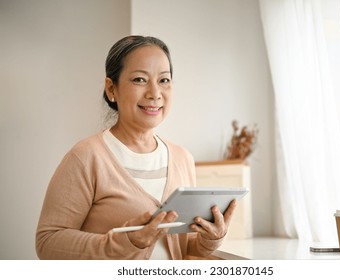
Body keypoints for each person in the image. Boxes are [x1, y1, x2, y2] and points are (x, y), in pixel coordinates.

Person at [35, 35, 237, 260]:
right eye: (140, 80)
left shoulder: (182, 158)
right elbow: (48, 243)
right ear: (112, 88)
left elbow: (179, 247)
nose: (154, 93)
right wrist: (124, 243)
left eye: (164, 80)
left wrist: (209, 240)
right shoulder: (85, 157)